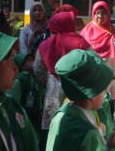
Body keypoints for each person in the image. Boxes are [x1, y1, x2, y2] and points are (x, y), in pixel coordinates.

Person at [34, 10, 91, 144]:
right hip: (77, 87)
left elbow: (37, 69)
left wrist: (46, 81)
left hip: (53, 87)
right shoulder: (82, 42)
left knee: (52, 120)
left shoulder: (46, 44)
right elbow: (91, 64)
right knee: (76, 118)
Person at [81, 1, 115, 95]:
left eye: (104, 13)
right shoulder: (86, 32)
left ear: (108, 15)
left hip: (111, 74)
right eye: (97, 12)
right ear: (93, 14)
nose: (100, 16)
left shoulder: (114, 32)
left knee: (109, 102)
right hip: (92, 75)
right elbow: (81, 54)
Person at [8, 52, 42, 140]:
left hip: (33, 110)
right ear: (22, 66)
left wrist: (39, 108)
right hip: (24, 111)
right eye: (29, 61)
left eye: (33, 60)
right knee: (25, 131)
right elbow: (16, 99)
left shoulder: (34, 77)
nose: (33, 63)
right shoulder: (19, 80)